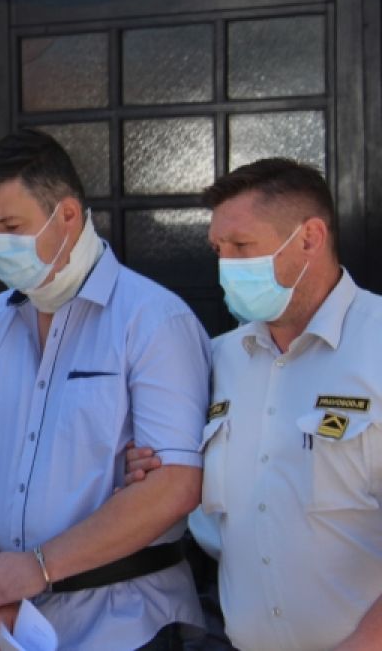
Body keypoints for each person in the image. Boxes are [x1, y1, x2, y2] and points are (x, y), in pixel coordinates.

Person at [0, 129, 209, 650]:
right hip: (7, 628)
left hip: (125, 624)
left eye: (12, 227)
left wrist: (38, 567)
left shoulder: (153, 321)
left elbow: (174, 487)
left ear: (69, 215)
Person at [124, 158, 382, 651]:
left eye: (241, 247)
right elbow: (189, 496)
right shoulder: (216, 361)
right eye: (218, 249)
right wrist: (150, 469)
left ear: (310, 238)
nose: (226, 266)